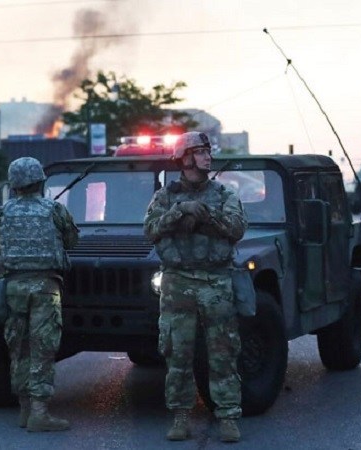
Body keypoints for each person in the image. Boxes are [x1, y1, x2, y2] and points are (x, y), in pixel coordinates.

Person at [143, 132, 248, 443]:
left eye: (207, 151)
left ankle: (228, 415)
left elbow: (237, 229)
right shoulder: (165, 197)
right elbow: (150, 229)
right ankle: (180, 416)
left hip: (215, 280)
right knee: (177, 352)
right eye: (201, 151)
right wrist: (180, 211)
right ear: (185, 158)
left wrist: (206, 215)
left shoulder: (224, 194)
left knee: (223, 350)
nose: (207, 157)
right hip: (178, 281)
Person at [0, 157, 79, 432]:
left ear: (14, 185)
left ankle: (25, 409)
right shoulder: (54, 209)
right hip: (45, 288)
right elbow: (72, 241)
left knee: (19, 347)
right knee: (43, 348)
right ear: (40, 181)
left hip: (14, 288)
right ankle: (39, 413)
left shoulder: (3, 213)